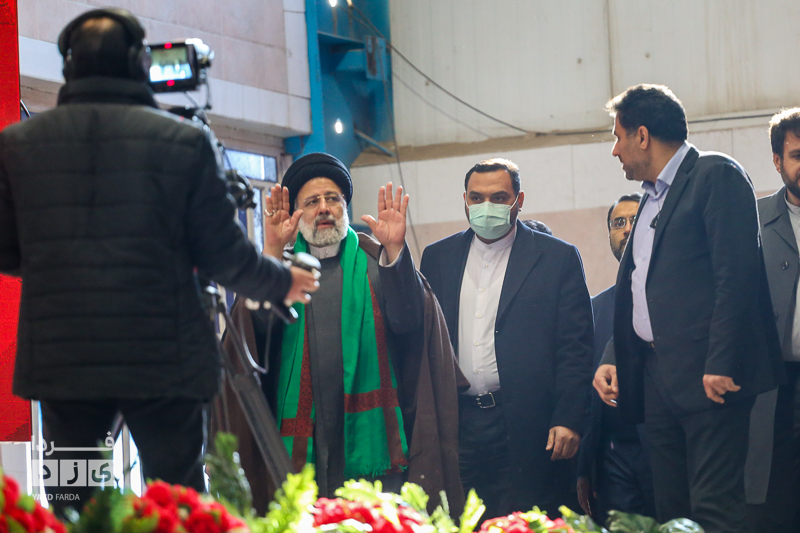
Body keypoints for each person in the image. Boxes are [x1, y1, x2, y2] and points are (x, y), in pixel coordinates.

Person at [0, 8, 318, 516]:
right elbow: (224, 255)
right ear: (137, 62)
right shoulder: (183, 142)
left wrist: (61, 263)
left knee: (73, 503)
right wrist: (283, 280)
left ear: (69, 65)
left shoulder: (16, 146)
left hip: (64, 365)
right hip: (165, 362)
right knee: (178, 500)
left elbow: (8, 253)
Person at [216, 152, 466, 515]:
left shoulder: (378, 263)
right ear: (296, 212)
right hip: (304, 438)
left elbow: (411, 324)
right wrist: (270, 254)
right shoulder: (280, 272)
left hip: (373, 441)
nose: (324, 208)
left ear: (345, 206)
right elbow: (252, 339)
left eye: (332, 198)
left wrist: (396, 250)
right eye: (312, 201)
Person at [593, 84, 783, 533]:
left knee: (714, 510)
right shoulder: (650, 198)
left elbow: (736, 276)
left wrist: (721, 362)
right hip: (658, 379)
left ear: (642, 136)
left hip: (709, 376)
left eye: (618, 137)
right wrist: (615, 355)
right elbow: (641, 286)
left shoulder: (715, 174)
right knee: (672, 513)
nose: (615, 150)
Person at [419, 158, 594, 519]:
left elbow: (575, 346)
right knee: (462, 520)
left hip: (529, 423)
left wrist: (569, 417)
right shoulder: (437, 258)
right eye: (477, 198)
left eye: (499, 197)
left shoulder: (557, 258)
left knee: (525, 519)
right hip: (459, 422)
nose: (487, 207)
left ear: (519, 200)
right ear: (465, 201)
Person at [577, 192, 655, 524]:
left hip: (665, 443)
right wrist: (584, 468)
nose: (626, 228)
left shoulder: (673, 293)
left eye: (634, 220)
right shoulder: (594, 309)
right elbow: (586, 394)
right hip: (613, 454)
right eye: (618, 222)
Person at [745, 107, 800, 531]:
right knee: (775, 501)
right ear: (778, 161)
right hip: (776, 385)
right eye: (797, 155)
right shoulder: (753, 221)